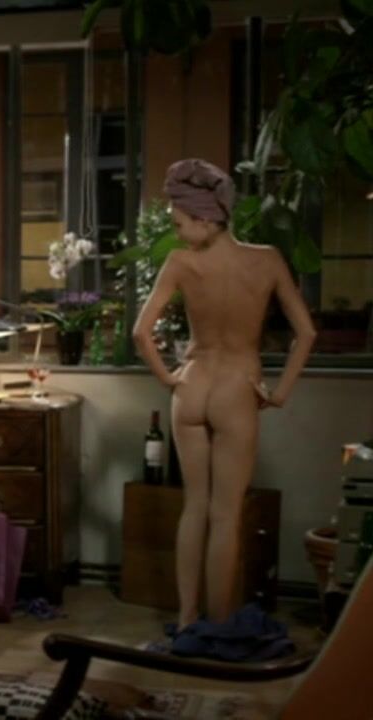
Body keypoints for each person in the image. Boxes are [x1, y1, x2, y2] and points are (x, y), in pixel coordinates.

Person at [134, 159, 315, 628]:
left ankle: (187, 618)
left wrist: (168, 378)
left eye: (179, 224)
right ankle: (217, 623)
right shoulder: (267, 260)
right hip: (237, 388)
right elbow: (307, 333)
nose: (176, 234)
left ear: (205, 218)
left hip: (192, 387)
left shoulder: (181, 264)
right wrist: (279, 392)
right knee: (225, 514)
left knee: (194, 507)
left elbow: (140, 332)